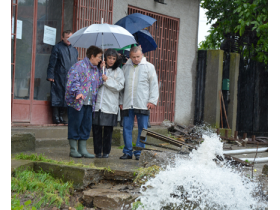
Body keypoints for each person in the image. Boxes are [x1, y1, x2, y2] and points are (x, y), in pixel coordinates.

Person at [119, 46, 159, 160]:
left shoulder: (149, 67)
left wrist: (152, 100)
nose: (136, 59)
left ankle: (139, 152)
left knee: (143, 128)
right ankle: (127, 151)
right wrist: (121, 101)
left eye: (138, 57)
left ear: (142, 55)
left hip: (143, 103)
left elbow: (154, 85)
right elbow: (122, 86)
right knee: (127, 127)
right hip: (127, 103)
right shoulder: (125, 67)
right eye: (133, 57)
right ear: (130, 56)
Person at [65, 45, 105, 158]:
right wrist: (78, 92)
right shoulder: (78, 66)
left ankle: (82, 149)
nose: (100, 59)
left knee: (86, 125)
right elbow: (72, 81)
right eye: (99, 57)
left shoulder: (95, 69)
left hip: (89, 102)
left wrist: (103, 71)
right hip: (77, 102)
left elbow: (97, 84)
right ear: (92, 56)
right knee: (75, 124)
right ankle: (73, 149)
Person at [92, 49, 125, 158]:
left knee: (108, 131)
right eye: (109, 58)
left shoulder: (119, 71)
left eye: (114, 59)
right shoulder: (99, 69)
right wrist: (101, 71)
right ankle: (97, 152)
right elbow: (93, 83)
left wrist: (107, 80)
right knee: (96, 130)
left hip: (110, 105)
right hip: (98, 105)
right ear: (105, 58)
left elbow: (119, 86)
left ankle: (106, 152)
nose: (111, 60)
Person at [47, 30, 78, 124]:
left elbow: (76, 65)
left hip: (70, 77)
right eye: (67, 37)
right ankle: (55, 116)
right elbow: (52, 62)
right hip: (58, 75)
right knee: (57, 95)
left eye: (70, 37)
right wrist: (50, 75)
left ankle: (61, 116)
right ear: (63, 38)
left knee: (67, 96)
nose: (69, 39)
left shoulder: (74, 50)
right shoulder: (57, 47)